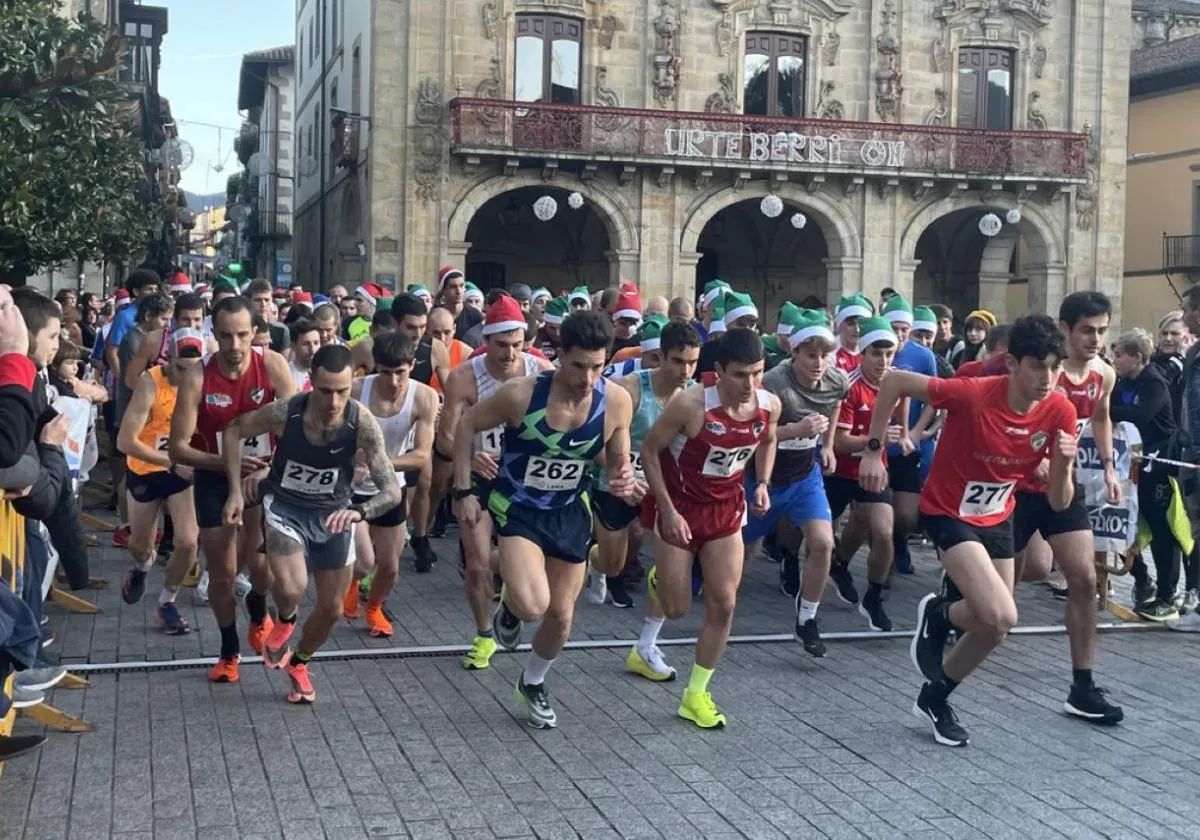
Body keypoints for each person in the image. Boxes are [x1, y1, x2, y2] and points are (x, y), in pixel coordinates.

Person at [860, 314, 1084, 747]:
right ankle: (942, 614)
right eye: (1038, 366)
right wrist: (874, 451)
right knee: (1003, 613)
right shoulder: (973, 393)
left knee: (994, 627)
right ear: (1013, 363)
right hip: (948, 511)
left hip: (998, 513)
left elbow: (1058, 501)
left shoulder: (1060, 409)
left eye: (1056, 367)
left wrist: (1064, 464)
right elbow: (893, 383)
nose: (1048, 378)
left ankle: (935, 693)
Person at [454, 311, 637, 729]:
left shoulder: (617, 401)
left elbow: (616, 463)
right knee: (534, 604)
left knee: (562, 617)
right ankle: (514, 606)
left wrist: (625, 480)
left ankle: (532, 681)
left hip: (569, 510)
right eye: (578, 366)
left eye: (597, 366)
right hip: (518, 506)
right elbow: (466, 426)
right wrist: (463, 490)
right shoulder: (521, 394)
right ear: (559, 356)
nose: (588, 377)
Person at [220, 345, 402, 703]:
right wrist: (235, 492)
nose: (333, 401)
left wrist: (360, 513)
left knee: (332, 609)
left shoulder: (361, 423)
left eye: (342, 392)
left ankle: (299, 662)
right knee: (292, 587)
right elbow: (233, 430)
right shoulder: (286, 412)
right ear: (311, 384)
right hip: (285, 506)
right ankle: (285, 617)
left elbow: (391, 490)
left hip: (334, 514)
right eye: (325, 391)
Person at [640, 329, 780, 728]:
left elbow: (768, 440)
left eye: (756, 373)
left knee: (725, 602)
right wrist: (666, 510)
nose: (748, 384)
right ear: (717, 371)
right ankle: (661, 579)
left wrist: (764, 483)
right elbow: (650, 451)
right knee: (677, 606)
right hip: (680, 507)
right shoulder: (690, 404)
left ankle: (696, 694)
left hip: (725, 510)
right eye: (739, 375)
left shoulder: (769, 404)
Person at [1006, 292, 1124, 724]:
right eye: (1087, 330)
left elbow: (1100, 419)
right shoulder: (1045, 375)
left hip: (1063, 485)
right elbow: (1014, 416)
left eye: (1102, 330)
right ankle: (948, 609)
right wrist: (1032, 455)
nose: (1095, 339)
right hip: (1018, 486)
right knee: (1018, 582)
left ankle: (1082, 685)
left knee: (1082, 578)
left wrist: (1109, 468)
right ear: (1066, 329)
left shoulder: (1104, 376)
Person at [168, 296, 297, 683]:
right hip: (215, 477)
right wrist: (227, 464)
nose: (235, 346)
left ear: (256, 332)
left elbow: (294, 429)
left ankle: (258, 609)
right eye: (226, 336)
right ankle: (228, 650)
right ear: (214, 335)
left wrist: (273, 467)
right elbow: (178, 447)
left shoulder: (271, 366)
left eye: (243, 335)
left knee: (262, 570)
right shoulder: (198, 377)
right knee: (222, 574)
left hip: (262, 476)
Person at [438, 296, 553, 670]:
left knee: (531, 565)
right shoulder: (465, 377)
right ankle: (484, 635)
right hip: (479, 478)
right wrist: (471, 454)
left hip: (525, 482)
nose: (509, 353)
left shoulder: (542, 371)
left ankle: (512, 598)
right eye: (501, 345)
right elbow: (443, 440)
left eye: (517, 344)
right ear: (486, 341)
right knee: (475, 564)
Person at [744, 308, 846, 656]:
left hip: (806, 475)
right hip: (764, 476)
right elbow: (754, 432)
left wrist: (828, 445)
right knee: (740, 553)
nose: (819, 363)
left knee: (823, 543)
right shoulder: (773, 382)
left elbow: (835, 407)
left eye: (824, 355)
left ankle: (807, 618)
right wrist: (796, 430)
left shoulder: (837, 379)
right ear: (795, 353)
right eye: (811, 355)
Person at [586, 321, 700, 623]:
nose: (685, 372)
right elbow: (596, 445)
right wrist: (621, 473)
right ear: (659, 357)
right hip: (617, 482)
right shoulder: (630, 390)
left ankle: (650, 632)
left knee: (654, 542)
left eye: (692, 363)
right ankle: (596, 563)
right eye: (677, 361)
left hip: (660, 485)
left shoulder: (693, 397)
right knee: (613, 563)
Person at [343, 332, 438, 635]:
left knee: (390, 566)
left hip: (389, 487)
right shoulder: (356, 390)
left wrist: (377, 464)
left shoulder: (424, 397)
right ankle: (353, 582)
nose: (394, 381)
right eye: (386, 372)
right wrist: (349, 460)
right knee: (363, 561)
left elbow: (421, 455)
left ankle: (373, 608)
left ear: (412, 365)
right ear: (374, 368)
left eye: (401, 372)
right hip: (351, 488)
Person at [116, 328, 203, 634]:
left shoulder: (203, 382)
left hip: (181, 473)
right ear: (169, 360)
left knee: (189, 541)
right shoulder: (151, 381)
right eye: (180, 369)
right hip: (146, 468)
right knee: (139, 544)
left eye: (194, 370)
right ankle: (142, 567)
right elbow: (125, 441)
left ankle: (167, 601)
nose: (186, 378)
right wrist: (171, 460)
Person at [1110, 329, 1196, 619]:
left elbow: (1138, 415)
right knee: (1120, 524)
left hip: (1158, 463)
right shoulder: (1121, 381)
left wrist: (1106, 409)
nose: (1114, 359)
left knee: (1163, 531)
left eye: (1120, 354)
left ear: (1137, 357)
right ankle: (1142, 580)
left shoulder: (1153, 382)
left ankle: (1167, 595)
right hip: (1128, 463)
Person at [827, 317, 903, 632]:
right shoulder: (849, 385)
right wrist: (877, 440)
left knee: (883, 532)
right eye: (876, 354)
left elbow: (918, 402)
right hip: (840, 471)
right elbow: (840, 443)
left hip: (874, 472)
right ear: (862, 352)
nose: (883, 361)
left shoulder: (898, 381)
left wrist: (911, 432)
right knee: (806, 533)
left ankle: (873, 595)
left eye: (889, 354)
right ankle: (794, 564)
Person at [1151, 310, 1189, 422]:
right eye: (1164, 333)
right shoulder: (1151, 363)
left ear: (1187, 337)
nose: (1168, 338)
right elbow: (1161, 381)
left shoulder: (1195, 365)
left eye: (1174, 334)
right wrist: (1178, 360)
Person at [245, 279, 292, 354]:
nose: (263, 305)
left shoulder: (281, 330)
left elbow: (284, 362)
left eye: (266, 300)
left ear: (271, 301)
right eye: (258, 300)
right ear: (249, 301)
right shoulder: (242, 329)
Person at [832, 294, 873, 373]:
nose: (857, 330)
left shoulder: (873, 351)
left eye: (861, 324)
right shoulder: (831, 353)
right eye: (851, 324)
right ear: (839, 325)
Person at [288, 319, 320, 392]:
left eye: (316, 343)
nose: (313, 350)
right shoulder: (287, 375)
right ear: (293, 345)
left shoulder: (326, 372)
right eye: (306, 344)